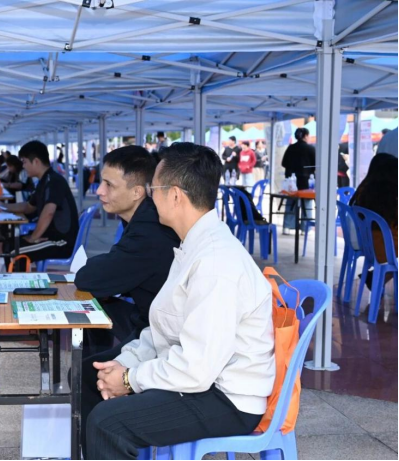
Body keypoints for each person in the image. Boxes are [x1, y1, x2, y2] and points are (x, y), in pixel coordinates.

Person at [82, 143, 275, 459]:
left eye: (154, 190)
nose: (149, 197)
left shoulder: (215, 263)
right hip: (202, 379)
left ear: (174, 196)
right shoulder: (192, 246)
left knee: (108, 423)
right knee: (90, 375)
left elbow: (196, 368)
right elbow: (164, 330)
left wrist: (129, 379)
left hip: (227, 398)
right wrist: (125, 363)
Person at [75, 146, 180, 355]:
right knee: (96, 303)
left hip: (160, 336)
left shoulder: (147, 231)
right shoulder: (144, 217)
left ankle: (99, 363)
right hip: (150, 317)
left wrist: (104, 271)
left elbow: (88, 278)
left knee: (88, 372)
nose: (99, 191)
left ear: (136, 192)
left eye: (109, 185)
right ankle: (100, 356)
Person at [2, 140, 79, 264]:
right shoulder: (44, 181)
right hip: (49, 237)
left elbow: (49, 212)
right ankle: (16, 276)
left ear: (36, 161)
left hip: (60, 242)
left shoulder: (54, 181)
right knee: (9, 243)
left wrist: (33, 237)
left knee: (13, 251)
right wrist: (3, 206)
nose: (23, 166)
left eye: (25, 162)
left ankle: (16, 277)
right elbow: (28, 207)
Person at [350, 154, 398, 291]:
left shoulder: (363, 190)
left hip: (368, 245)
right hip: (388, 249)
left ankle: (377, 277)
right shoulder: (392, 196)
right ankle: (379, 277)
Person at [281, 127, 316, 231]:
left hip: (291, 181)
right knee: (307, 204)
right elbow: (315, 165)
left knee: (291, 203)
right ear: (305, 136)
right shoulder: (310, 149)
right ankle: (305, 228)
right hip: (306, 181)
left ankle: (288, 226)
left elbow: (284, 163)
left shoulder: (291, 148)